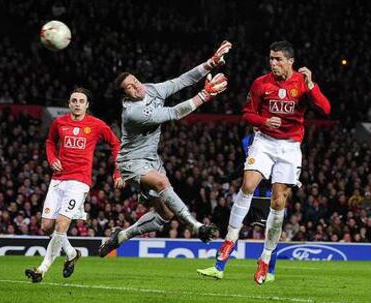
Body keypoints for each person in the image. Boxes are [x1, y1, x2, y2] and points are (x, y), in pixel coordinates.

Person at [202, 40, 330, 285]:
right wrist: (263, 121)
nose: (273, 63)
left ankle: (265, 259)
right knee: (248, 184)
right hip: (264, 141)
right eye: (271, 58)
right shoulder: (261, 83)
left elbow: (325, 109)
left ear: (290, 61)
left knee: (278, 201)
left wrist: (312, 86)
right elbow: (247, 113)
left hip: (290, 147)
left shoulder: (303, 83)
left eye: (278, 59)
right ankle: (229, 241)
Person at [98, 41, 232, 257]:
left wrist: (210, 63)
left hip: (152, 159)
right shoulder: (133, 113)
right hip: (131, 161)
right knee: (162, 183)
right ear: (125, 95)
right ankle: (197, 227)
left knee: (165, 215)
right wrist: (204, 95)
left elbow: (181, 81)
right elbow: (173, 113)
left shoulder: (150, 89)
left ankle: (121, 236)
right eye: (130, 87)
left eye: (135, 81)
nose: (137, 86)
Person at [25, 87, 124, 283]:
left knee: (62, 224)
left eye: (81, 101)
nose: (77, 104)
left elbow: (116, 144)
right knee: (46, 226)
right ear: (69, 104)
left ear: (87, 105)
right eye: (74, 100)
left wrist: (118, 172)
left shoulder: (96, 125)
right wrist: (52, 158)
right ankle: (71, 254)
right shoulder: (59, 123)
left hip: (79, 181)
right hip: (58, 179)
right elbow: (50, 142)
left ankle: (41, 270)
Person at [197, 133, 279, 281]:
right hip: (247, 197)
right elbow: (246, 164)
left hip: (265, 198)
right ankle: (218, 268)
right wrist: (228, 177)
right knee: (233, 229)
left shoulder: (276, 139)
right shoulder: (247, 139)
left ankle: (270, 272)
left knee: (270, 234)